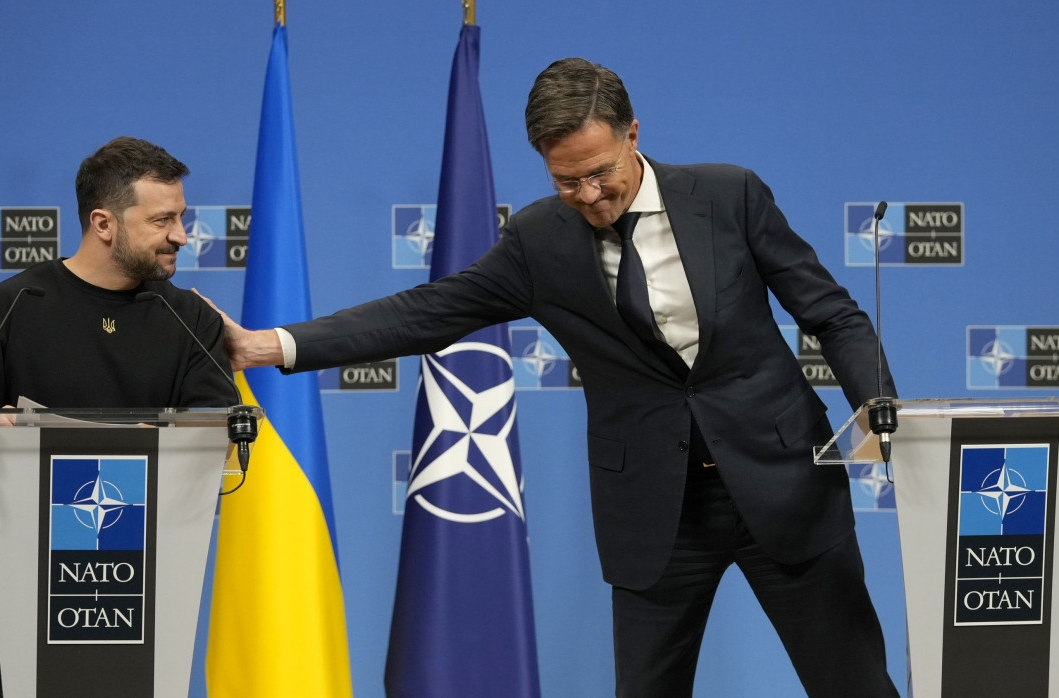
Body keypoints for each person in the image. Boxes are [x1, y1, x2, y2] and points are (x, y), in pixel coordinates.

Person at [212, 58, 899, 696]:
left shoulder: (729, 195)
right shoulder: (538, 242)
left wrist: (876, 401)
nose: (591, 196)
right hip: (656, 515)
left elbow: (831, 313)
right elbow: (425, 312)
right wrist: (272, 345)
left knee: (855, 684)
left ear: (634, 134)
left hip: (782, 486)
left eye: (601, 172)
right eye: (566, 181)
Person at [0, 136, 237, 697]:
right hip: (31, 580)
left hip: (147, 580)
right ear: (104, 222)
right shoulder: (8, 309)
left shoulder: (192, 319)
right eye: (162, 219)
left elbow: (214, 427)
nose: (181, 236)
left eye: (182, 217)